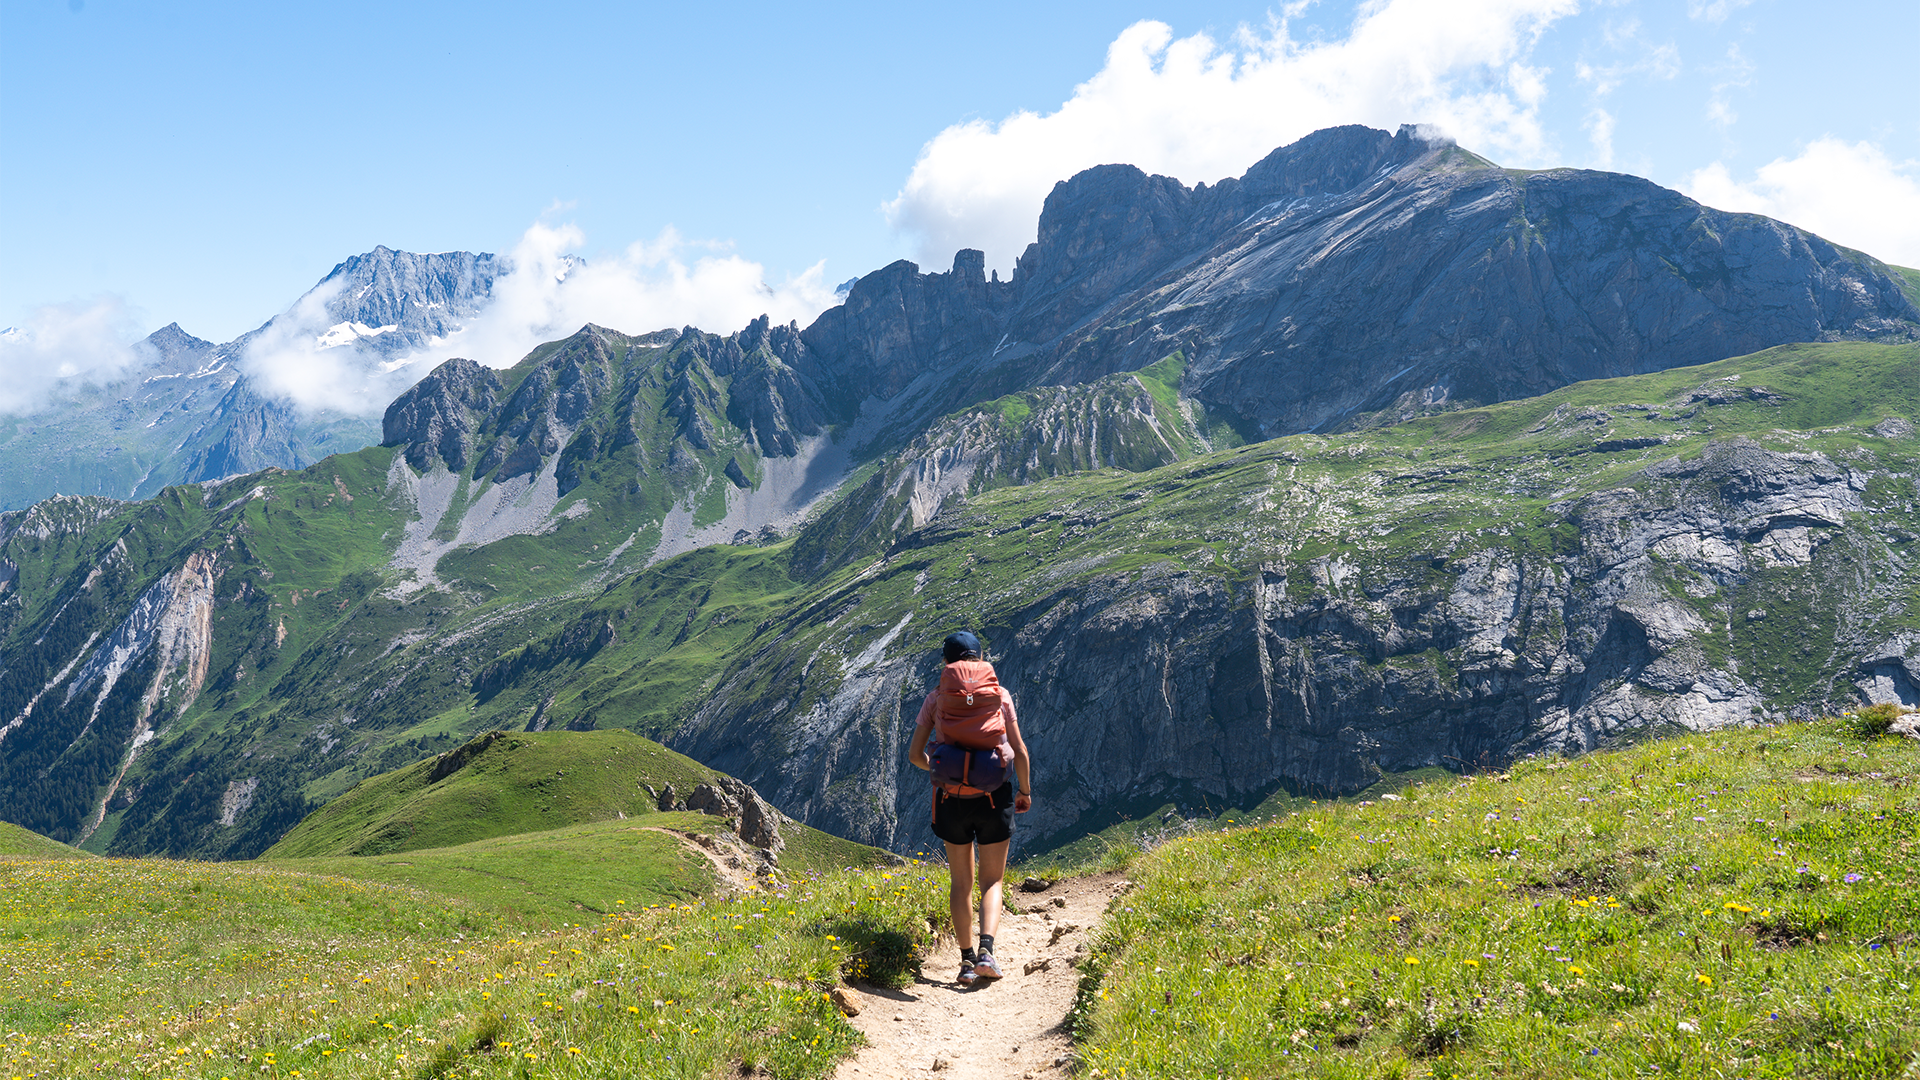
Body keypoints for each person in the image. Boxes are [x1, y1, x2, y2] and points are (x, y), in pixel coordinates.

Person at [907, 630, 1032, 985]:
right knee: (992, 880)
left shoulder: (935, 699)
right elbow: (1019, 751)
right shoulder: (1000, 695)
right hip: (994, 797)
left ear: (946, 663)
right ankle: (986, 953)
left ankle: (964, 962)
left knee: (961, 881)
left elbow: (915, 755)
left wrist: (943, 771)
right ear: (980, 658)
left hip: (951, 800)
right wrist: (1024, 791)